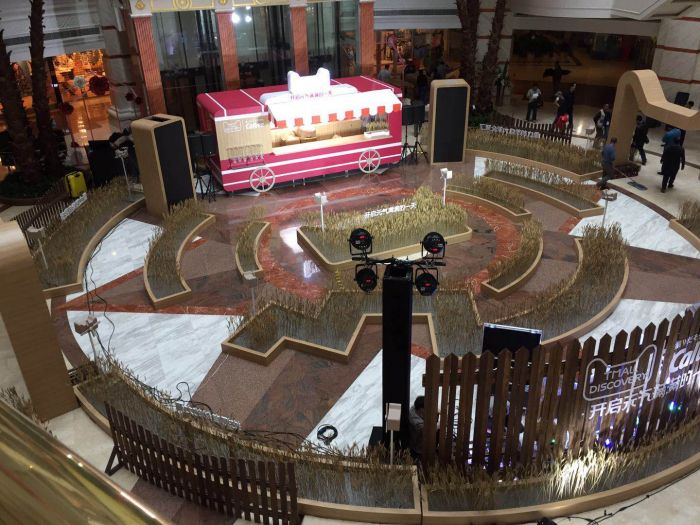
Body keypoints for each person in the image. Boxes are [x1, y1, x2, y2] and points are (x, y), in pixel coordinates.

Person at [408, 396, 425, 460]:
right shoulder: (417, 422)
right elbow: (427, 430)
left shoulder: (414, 408)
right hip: (418, 448)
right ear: (421, 409)